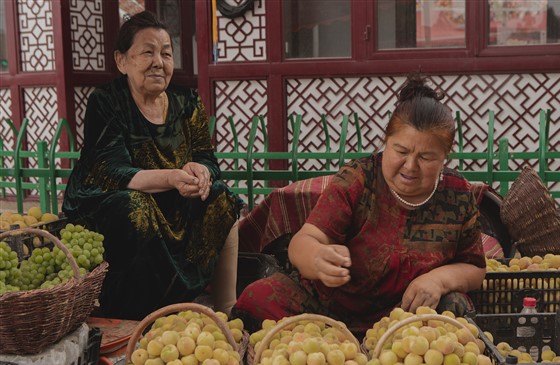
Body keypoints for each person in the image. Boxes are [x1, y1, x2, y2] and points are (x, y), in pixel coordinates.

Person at [232, 74, 486, 334]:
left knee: (454, 305)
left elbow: (476, 268)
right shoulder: (358, 180)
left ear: (445, 156)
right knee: (258, 298)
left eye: (426, 157)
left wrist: (438, 280)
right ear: (385, 142)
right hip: (328, 310)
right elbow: (303, 242)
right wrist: (317, 258)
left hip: (407, 320)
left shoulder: (457, 194)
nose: (410, 166)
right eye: (400, 151)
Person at [63, 11, 242, 321]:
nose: (159, 61)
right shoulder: (106, 101)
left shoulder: (187, 102)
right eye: (147, 52)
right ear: (122, 61)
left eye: (166, 53)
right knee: (136, 207)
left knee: (221, 198)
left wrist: (202, 174)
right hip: (108, 201)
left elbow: (207, 158)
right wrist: (172, 176)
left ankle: (227, 309)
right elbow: (113, 172)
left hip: (169, 197)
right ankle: (139, 316)